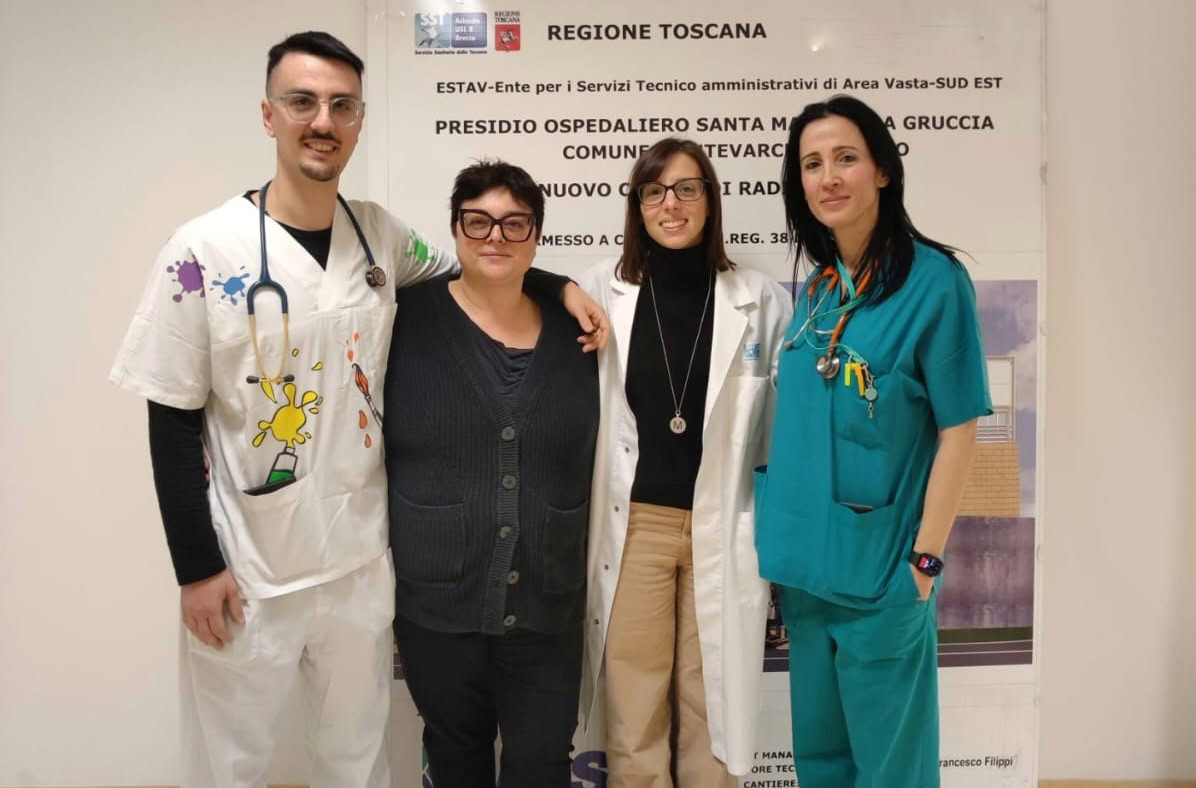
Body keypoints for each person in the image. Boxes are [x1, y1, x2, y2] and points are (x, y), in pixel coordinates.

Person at [108, 32, 605, 788]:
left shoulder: (380, 238)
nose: (323, 121)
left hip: (359, 565)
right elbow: (170, 413)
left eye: (342, 105)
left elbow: (484, 269)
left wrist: (559, 286)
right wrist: (196, 565)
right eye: (302, 101)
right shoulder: (202, 251)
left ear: (360, 120)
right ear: (268, 115)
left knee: (357, 765)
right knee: (232, 766)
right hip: (250, 567)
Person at [754, 95, 992, 788]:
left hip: (883, 575)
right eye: (812, 164)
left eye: (845, 158)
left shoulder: (935, 283)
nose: (828, 177)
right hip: (806, 575)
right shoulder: (818, 291)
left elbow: (959, 430)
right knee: (821, 765)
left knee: (892, 771)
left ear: (882, 170)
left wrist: (924, 562)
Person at [578, 138, 792, 787]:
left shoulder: (760, 300)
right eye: (654, 191)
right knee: (635, 704)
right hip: (636, 527)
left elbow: (783, 430)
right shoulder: (600, 290)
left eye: (686, 189)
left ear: (710, 200)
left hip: (724, 524)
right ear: (638, 205)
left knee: (712, 707)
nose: (670, 204)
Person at [384, 160, 600, 788]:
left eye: (514, 223)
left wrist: (558, 287)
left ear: (537, 234)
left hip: (548, 605)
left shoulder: (578, 332)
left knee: (540, 765)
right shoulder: (403, 317)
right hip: (437, 607)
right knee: (456, 760)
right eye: (477, 222)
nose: (496, 237)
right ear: (455, 230)